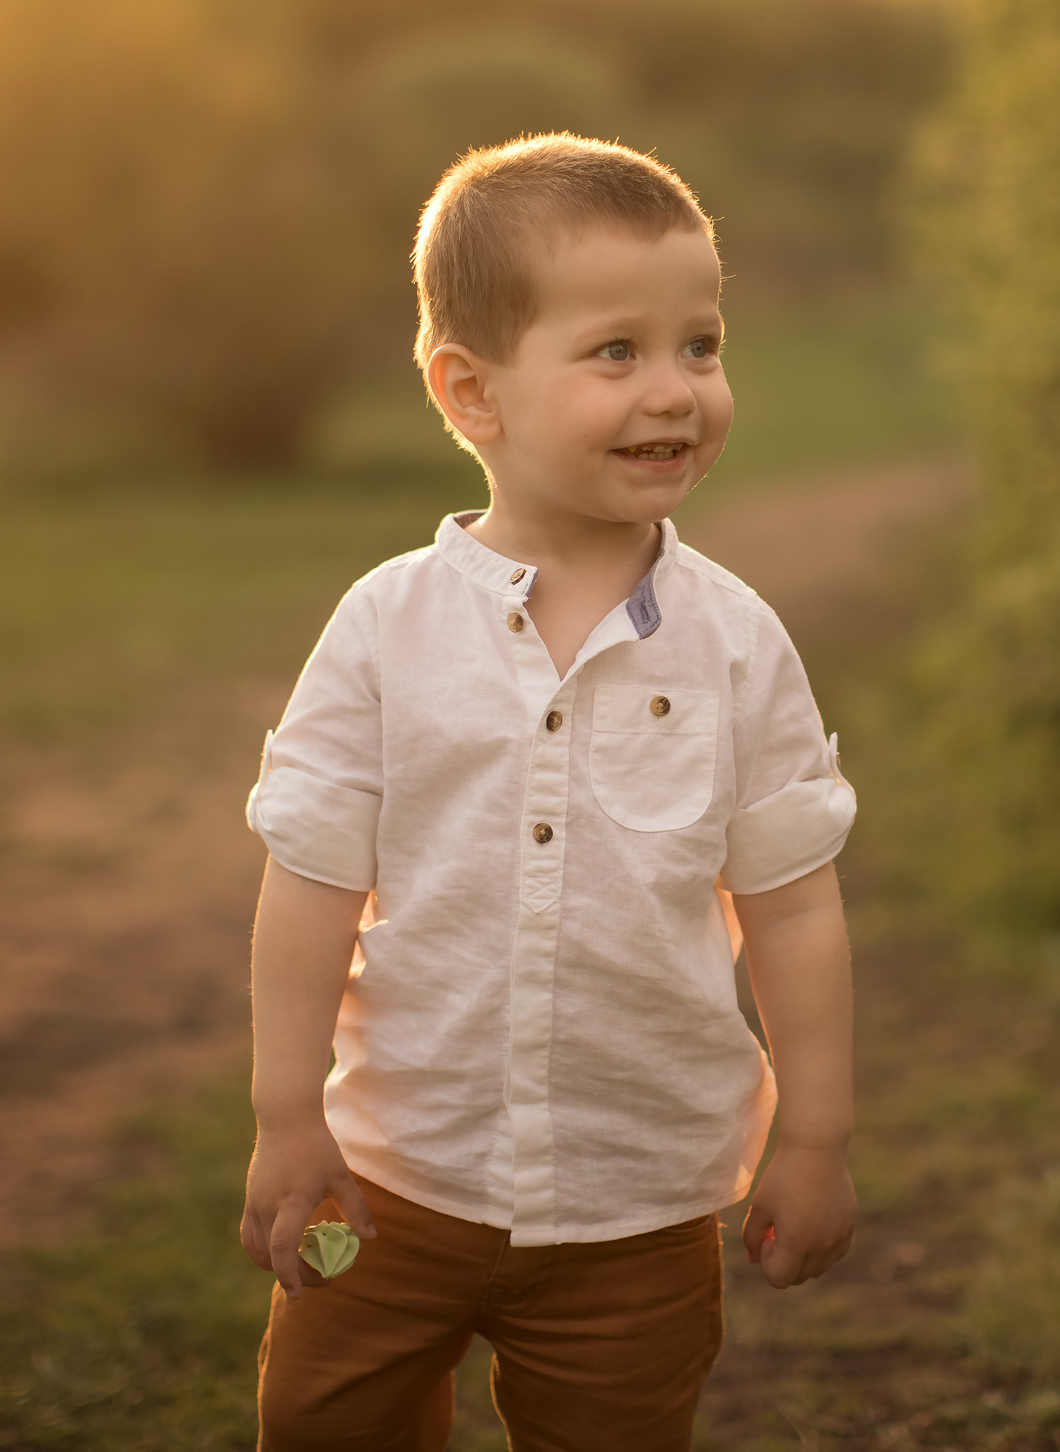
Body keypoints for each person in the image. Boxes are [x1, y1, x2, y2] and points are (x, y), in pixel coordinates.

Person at [237, 134, 860, 1450]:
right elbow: (310, 883)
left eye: (700, 344)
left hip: (635, 1208)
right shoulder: (384, 629)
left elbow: (794, 911)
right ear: (472, 392)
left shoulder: (738, 644)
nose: (677, 390)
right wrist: (289, 1117)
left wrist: (815, 1133)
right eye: (616, 352)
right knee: (323, 1428)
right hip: (397, 1179)